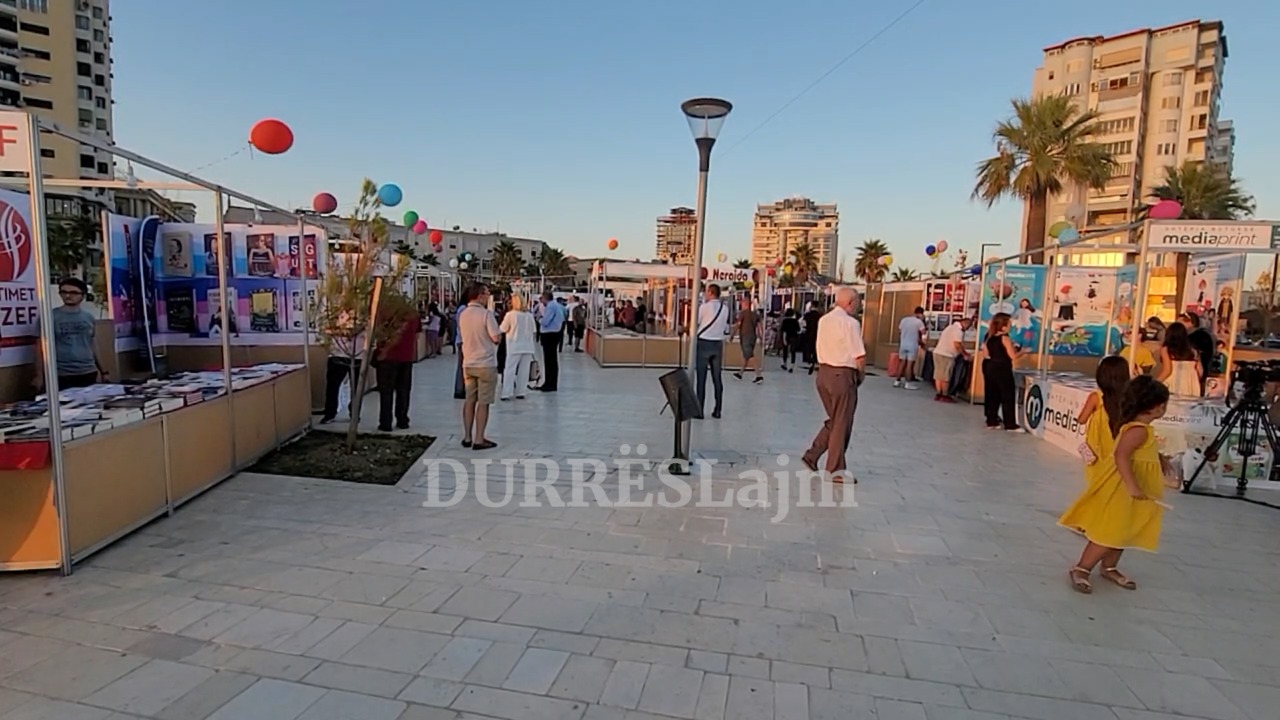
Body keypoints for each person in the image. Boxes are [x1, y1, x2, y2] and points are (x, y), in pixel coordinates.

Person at [1059, 376, 1174, 594]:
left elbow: (1139, 452)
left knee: (1125, 528)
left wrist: (1159, 459)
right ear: (1155, 407)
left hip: (1134, 488)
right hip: (1124, 489)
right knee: (1109, 531)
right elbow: (1122, 456)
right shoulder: (1137, 430)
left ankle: (1109, 566)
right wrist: (1132, 487)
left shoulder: (1142, 430)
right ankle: (1082, 568)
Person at [802, 287, 865, 483]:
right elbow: (860, 355)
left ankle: (812, 455)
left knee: (836, 420)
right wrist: (860, 376)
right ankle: (835, 470)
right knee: (842, 423)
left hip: (823, 375)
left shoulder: (824, 320)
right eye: (858, 302)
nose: (859, 306)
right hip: (842, 375)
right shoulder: (851, 323)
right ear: (850, 302)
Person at [33, 278, 108, 391]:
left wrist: (103, 371)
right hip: (61, 374)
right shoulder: (49, 317)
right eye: (64, 292)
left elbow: (92, 344)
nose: (68, 296)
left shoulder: (89, 318)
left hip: (87, 371)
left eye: (73, 292)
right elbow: (40, 348)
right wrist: (39, 375)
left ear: (82, 296)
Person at [458, 283, 502, 450]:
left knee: (469, 400)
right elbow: (496, 337)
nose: (488, 297)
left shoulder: (463, 314)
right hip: (486, 363)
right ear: (480, 295)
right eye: (487, 293)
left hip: (468, 363)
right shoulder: (486, 315)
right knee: (483, 402)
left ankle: (467, 436)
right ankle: (479, 438)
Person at [1077, 356, 1130, 476]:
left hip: (1097, 449)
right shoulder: (1129, 397)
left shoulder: (1096, 397)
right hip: (1119, 446)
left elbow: (1082, 419)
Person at [374, 312, 421, 431]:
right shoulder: (413, 316)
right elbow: (417, 335)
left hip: (387, 357)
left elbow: (377, 334)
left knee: (386, 392)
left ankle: (385, 422)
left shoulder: (385, 314)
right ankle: (402, 420)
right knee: (404, 390)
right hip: (406, 357)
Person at [320, 312, 364, 424]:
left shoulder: (362, 312)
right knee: (332, 386)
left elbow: (353, 331)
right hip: (336, 354)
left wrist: (332, 331)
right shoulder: (335, 311)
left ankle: (354, 413)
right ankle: (330, 413)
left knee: (356, 387)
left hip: (356, 354)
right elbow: (324, 326)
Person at [694, 284, 730, 418]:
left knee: (701, 379)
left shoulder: (703, 307)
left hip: (704, 343)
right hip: (717, 344)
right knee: (717, 378)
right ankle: (718, 409)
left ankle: (699, 410)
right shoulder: (725, 309)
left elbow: (696, 322)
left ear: (710, 292)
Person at [982, 312, 1023, 430]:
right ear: (1003, 326)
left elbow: (986, 354)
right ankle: (1010, 423)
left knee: (991, 393)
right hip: (1002, 367)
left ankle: (992, 420)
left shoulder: (989, 336)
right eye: (1009, 323)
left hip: (990, 366)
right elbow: (1013, 356)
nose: (1011, 325)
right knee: (1007, 394)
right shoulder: (1005, 338)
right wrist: (1023, 351)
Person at [499, 295, 537, 400]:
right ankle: (521, 391)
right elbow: (534, 331)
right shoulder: (529, 315)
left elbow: (502, 328)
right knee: (524, 370)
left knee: (509, 370)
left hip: (514, 345)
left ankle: (506, 392)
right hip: (528, 346)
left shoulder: (510, 315)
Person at [932, 316, 973, 402]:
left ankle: (939, 393)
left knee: (938, 375)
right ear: (966, 324)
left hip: (938, 352)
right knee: (946, 376)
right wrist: (965, 354)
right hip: (947, 354)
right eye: (968, 327)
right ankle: (945, 394)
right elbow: (957, 344)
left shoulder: (950, 327)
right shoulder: (958, 331)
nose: (967, 329)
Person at [1156, 322, 1201, 396]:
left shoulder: (1166, 350)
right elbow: (1200, 371)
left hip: (1174, 382)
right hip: (1191, 385)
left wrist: (1155, 383)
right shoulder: (1193, 351)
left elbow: (1167, 371)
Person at [1178, 311, 1215, 394]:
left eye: (1180, 324)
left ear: (1189, 322)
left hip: (1195, 374)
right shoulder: (1204, 335)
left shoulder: (1197, 337)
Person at [537, 291, 566, 391]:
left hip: (549, 334)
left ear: (545, 298)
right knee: (552, 360)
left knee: (549, 360)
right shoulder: (556, 306)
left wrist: (539, 319)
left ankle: (549, 384)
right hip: (555, 334)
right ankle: (551, 382)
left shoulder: (550, 307)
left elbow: (545, 322)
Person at [893, 306, 927, 390]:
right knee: (909, 365)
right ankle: (908, 383)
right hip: (912, 345)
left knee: (902, 363)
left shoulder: (904, 320)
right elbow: (923, 332)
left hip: (903, 344)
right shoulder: (919, 322)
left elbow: (900, 331)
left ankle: (897, 381)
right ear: (921, 314)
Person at [732, 296, 763, 384]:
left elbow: (738, 325)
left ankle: (758, 375)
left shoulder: (743, 314)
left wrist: (732, 335)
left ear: (745, 304)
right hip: (753, 337)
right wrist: (761, 337)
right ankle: (740, 373)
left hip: (745, 336)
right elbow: (759, 327)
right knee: (747, 355)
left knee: (750, 355)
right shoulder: (755, 314)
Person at [802, 302, 823, 374]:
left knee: (808, 347)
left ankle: (808, 360)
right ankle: (814, 361)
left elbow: (803, 324)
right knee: (815, 348)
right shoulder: (820, 316)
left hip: (808, 333)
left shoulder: (807, 315)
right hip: (818, 334)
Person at [779, 308, 801, 372]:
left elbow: (784, 331)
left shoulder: (785, 321)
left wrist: (784, 339)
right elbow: (798, 330)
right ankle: (792, 366)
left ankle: (785, 364)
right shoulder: (795, 321)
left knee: (785, 351)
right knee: (793, 352)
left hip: (786, 337)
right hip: (794, 337)